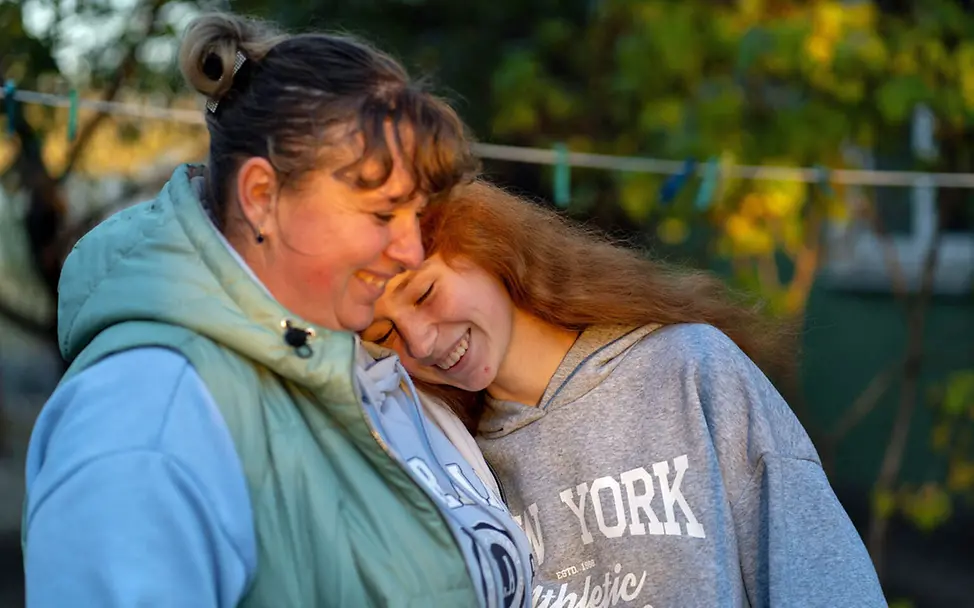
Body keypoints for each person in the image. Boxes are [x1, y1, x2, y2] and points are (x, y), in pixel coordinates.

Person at [22, 13, 533, 608]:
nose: (410, 250)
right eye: (380, 214)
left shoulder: (350, 370)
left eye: (413, 215)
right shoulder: (148, 415)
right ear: (262, 197)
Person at [362, 180, 888, 607]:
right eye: (385, 336)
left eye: (425, 293)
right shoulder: (456, 463)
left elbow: (823, 578)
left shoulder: (689, 368)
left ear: (484, 243)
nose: (421, 341)